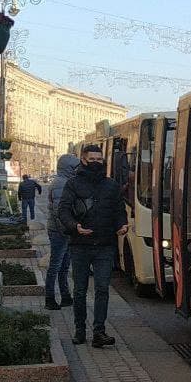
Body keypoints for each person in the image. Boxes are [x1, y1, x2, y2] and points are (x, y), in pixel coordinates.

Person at [57, 145, 127, 348]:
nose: (97, 162)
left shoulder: (111, 185)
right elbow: (63, 211)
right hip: (80, 245)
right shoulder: (73, 184)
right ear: (84, 160)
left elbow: (119, 209)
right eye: (92, 159)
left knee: (102, 289)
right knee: (79, 290)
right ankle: (80, 331)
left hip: (105, 245)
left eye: (100, 159)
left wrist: (122, 224)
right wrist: (74, 226)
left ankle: (99, 332)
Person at [45, 154, 80, 310]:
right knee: (56, 265)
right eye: (75, 167)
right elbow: (60, 211)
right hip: (60, 232)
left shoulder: (65, 182)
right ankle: (50, 298)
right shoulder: (61, 183)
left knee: (64, 266)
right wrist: (67, 230)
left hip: (65, 231)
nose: (77, 170)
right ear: (68, 168)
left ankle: (65, 296)